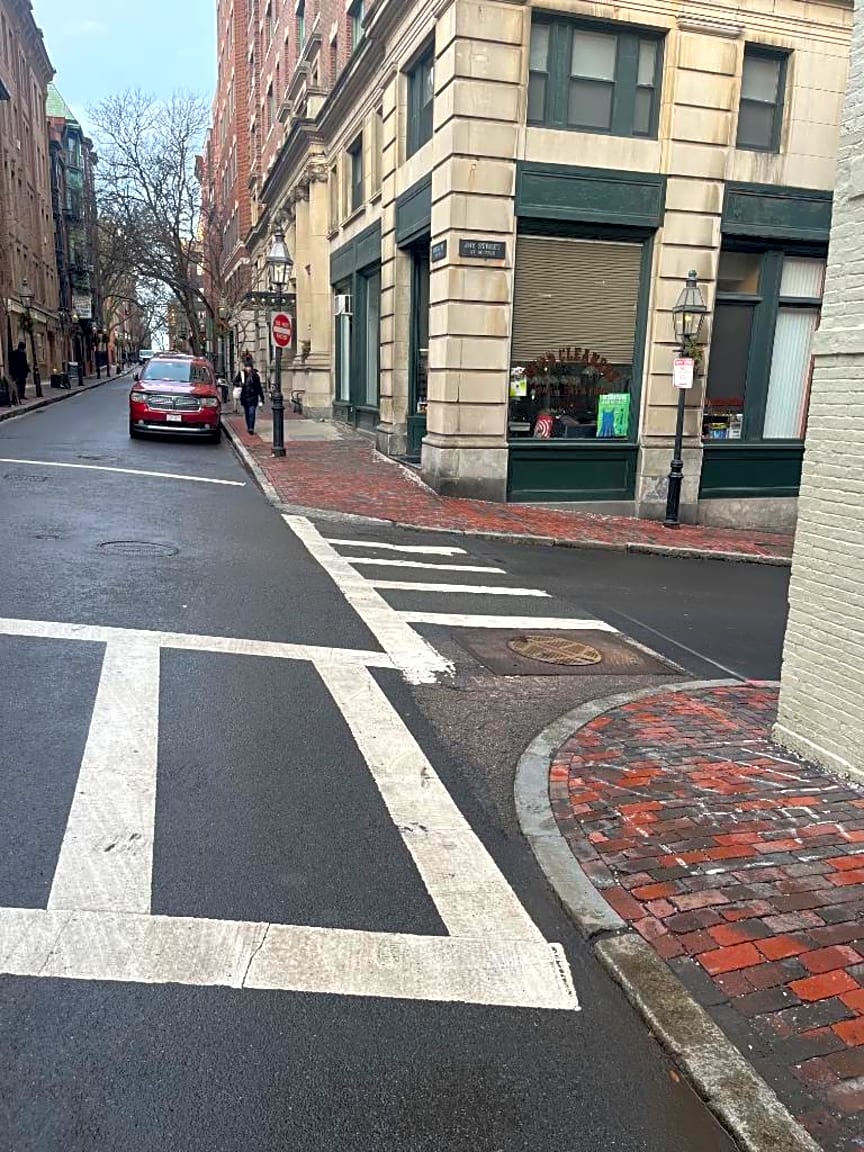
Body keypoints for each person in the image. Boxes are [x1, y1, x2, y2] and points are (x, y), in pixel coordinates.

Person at [238, 363, 265, 434]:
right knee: (247, 413)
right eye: (246, 367)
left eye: (249, 367)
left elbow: (259, 387)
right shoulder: (241, 374)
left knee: (251, 412)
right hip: (244, 397)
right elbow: (235, 381)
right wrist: (240, 384)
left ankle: (251, 428)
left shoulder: (255, 376)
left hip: (253, 397)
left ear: (251, 368)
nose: (248, 368)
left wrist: (262, 398)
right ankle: (248, 426)